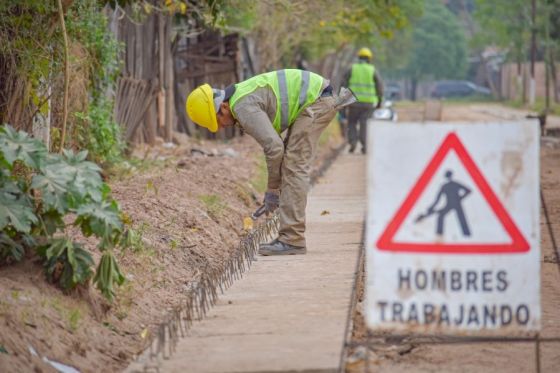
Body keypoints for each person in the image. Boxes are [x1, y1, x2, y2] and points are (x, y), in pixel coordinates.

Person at [185, 69, 339, 256]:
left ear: (223, 107)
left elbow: (274, 148)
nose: (221, 127)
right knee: (290, 163)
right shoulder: (240, 98)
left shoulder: (242, 107)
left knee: (294, 167)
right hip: (317, 98)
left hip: (317, 101)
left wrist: (272, 189)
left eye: (219, 120)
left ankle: (292, 240)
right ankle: (291, 237)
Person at [341, 47, 384, 154]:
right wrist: (379, 101)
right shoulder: (372, 70)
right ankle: (365, 146)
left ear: (358, 57)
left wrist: (342, 101)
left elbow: (343, 84)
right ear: (369, 59)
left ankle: (353, 142)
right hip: (368, 103)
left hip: (353, 102)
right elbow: (380, 87)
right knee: (364, 124)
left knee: (352, 123)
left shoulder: (352, 68)